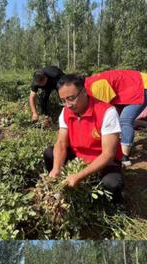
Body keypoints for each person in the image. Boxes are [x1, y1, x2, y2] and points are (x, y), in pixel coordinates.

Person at [44, 74, 125, 205]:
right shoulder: (65, 112)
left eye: (71, 98)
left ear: (84, 91)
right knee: (49, 153)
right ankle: (58, 185)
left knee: (112, 183)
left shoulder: (107, 112)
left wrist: (79, 175)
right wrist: (56, 168)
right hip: (79, 156)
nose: (67, 105)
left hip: (104, 161)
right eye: (63, 100)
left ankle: (117, 207)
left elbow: (108, 155)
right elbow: (61, 143)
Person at [85, 69, 147, 167]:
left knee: (125, 120)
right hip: (127, 90)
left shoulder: (95, 87)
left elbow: (105, 111)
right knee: (118, 118)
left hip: (143, 85)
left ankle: (124, 158)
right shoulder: (86, 88)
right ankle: (119, 145)